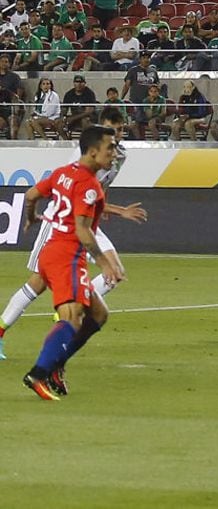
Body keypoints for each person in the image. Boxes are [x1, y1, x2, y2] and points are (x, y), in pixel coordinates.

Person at [0, 108, 147, 362]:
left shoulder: (118, 156)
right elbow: (77, 192)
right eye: (115, 129)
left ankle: (71, 308)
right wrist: (119, 211)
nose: (119, 135)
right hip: (61, 223)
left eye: (122, 129)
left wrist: (102, 208)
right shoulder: (83, 157)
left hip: (86, 222)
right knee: (37, 284)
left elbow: (100, 189)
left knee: (114, 273)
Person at [19, 125, 121, 400]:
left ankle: (56, 364)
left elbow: (30, 196)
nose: (114, 153)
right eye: (109, 148)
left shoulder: (62, 173)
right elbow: (83, 230)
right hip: (67, 257)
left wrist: (31, 217)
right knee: (72, 318)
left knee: (99, 314)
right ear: (92, 151)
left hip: (53, 251)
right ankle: (38, 373)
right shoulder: (89, 186)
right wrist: (105, 262)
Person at [56, 74, 97, 139]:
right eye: (76, 82)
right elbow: (64, 109)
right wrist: (63, 117)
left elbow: (88, 112)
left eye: (81, 82)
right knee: (59, 124)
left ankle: (85, 141)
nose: (78, 84)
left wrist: (73, 118)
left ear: (84, 83)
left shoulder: (89, 93)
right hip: (74, 117)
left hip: (88, 117)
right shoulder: (69, 94)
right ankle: (67, 141)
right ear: (74, 83)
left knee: (85, 121)